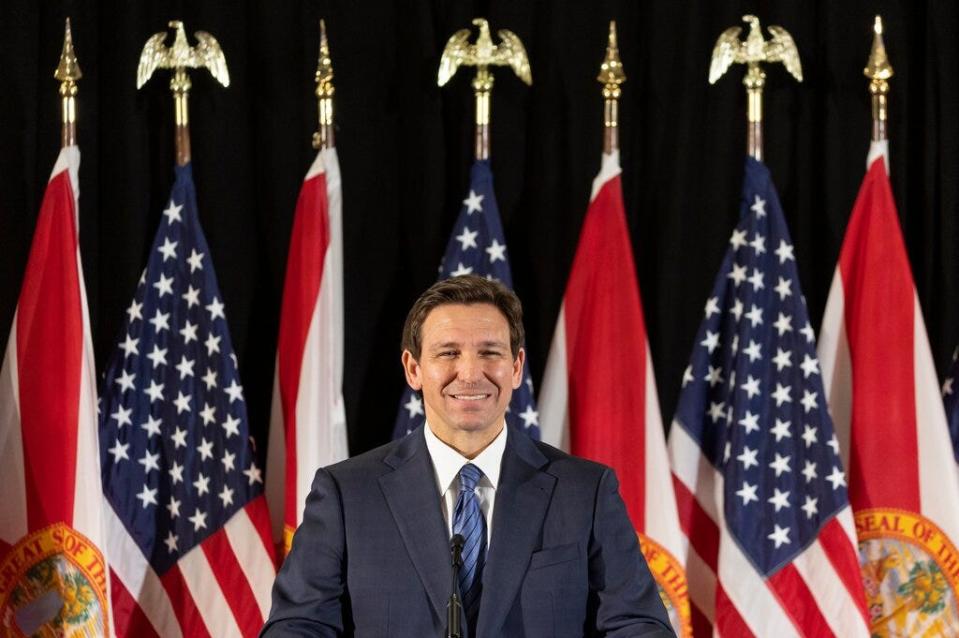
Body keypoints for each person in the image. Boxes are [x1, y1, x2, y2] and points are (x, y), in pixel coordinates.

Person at [261, 275, 675, 637]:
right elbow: (299, 626)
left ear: (516, 367)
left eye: (491, 352)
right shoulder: (347, 494)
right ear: (413, 369)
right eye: (448, 353)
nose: (472, 373)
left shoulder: (586, 492)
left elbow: (637, 625)